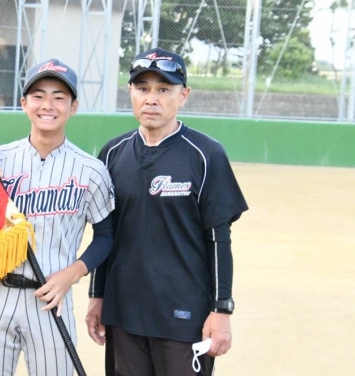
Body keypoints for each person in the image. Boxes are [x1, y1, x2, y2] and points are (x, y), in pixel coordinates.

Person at [86, 48, 248, 376]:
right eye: (142, 88)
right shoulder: (112, 153)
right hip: (124, 312)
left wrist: (221, 310)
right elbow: (106, 233)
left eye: (163, 89)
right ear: (130, 92)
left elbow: (219, 240)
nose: (151, 99)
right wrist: (97, 295)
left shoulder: (206, 154)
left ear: (183, 95)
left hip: (184, 316)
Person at [0, 59, 116, 376]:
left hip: (52, 298)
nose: (47, 105)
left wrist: (72, 274)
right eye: (38, 95)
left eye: (59, 97)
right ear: (24, 103)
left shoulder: (91, 170)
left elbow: (106, 236)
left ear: (73, 107)